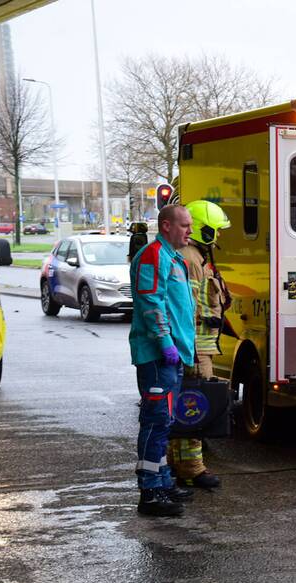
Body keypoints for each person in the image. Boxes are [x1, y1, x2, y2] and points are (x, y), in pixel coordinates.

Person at [128, 204, 196, 517]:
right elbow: (151, 303)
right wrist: (166, 343)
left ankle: (162, 482)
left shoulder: (173, 258)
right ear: (166, 226)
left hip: (171, 355)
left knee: (164, 422)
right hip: (157, 356)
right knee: (155, 422)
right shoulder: (154, 255)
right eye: (184, 225)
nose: (190, 231)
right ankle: (150, 492)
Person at [164, 201, 231, 490]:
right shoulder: (191, 260)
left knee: (186, 406)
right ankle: (191, 469)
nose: (220, 235)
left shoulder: (198, 257)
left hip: (198, 346)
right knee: (194, 408)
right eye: (216, 229)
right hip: (194, 348)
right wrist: (187, 348)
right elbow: (186, 308)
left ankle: (177, 464)